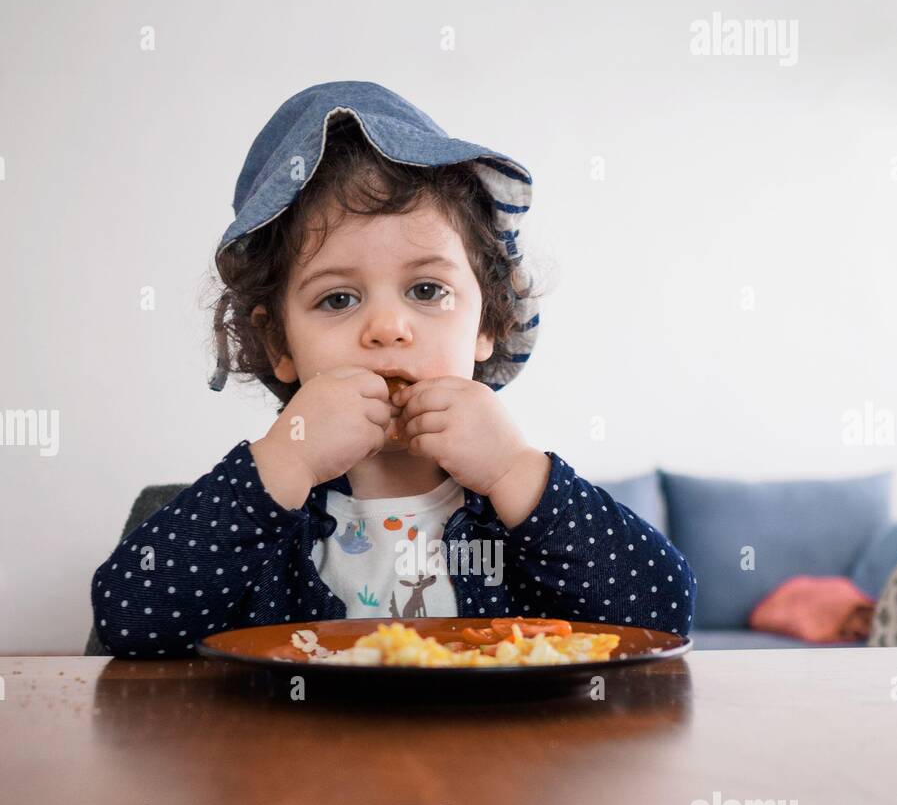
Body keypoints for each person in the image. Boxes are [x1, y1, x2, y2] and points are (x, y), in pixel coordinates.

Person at [90, 81, 696, 657]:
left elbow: (664, 611)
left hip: (493, 763)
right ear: (280, 342)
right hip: (291, 764)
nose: (387, 328)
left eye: (427, 290)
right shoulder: (264, 507)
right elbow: (129, 621)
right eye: (338, 299)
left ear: (485, 323)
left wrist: (518, 472)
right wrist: (287, 460)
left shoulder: (518, 511)